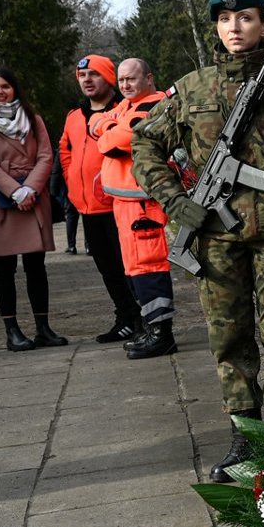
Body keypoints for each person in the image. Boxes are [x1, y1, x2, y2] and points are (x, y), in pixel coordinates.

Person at [132, 0, 264, 481]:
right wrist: (178, 204)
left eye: (244, 17)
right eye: (224, 20)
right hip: (215, 242)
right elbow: (144, 147)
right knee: (230, 341)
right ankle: (244, 439)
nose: (234, 27)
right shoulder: (192, 89)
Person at [0, 66, 67, 351]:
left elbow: (47, 155)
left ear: (15, 88)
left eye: (5, 86)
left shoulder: (32, 118)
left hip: (33, 195)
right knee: (5, 266)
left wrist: (31, 189)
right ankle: (12, 331)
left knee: (36, 265)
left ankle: (43, 328)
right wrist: (15, 190)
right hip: (0, 197)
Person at [91, 57, 178, 358]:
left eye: (131, 79)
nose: (125, 85)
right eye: (121, 80)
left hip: (144, 202)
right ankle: (150, 328)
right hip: (127, 202)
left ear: (149, 78)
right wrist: (108, 124)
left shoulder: (153, 105)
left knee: (149, 266)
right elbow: (98, 122)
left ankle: (161, 334)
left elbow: (114, 143)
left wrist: (106, 127)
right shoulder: (127, 107)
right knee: (135, 269)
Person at [59, 54, 141, 342]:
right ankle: (125, 316)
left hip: (120, 202)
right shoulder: (73, 117)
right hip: (88, 207)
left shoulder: (124, 110)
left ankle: (142, 318)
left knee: (130, 266)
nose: (87, 80)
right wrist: (72, 184)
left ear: (108, 78)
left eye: (94, 74)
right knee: (107, 268)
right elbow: (65, 151)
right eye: (82, 76)